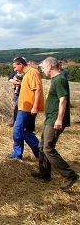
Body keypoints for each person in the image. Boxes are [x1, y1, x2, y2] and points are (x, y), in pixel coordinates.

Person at [31, 57, 78, 190]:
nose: (43, 70)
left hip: (55, 120)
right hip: (50, 118)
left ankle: (70, 175)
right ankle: (44, 173)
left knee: (48, 148)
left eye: (44, 67)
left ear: (50, 66)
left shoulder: (59, 79)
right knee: (41, 146)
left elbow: (63, 100)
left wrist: (59, 119)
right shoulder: (55, 79)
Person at [7, 57, 44, 160]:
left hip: (28, 109)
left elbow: (37, 90)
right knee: (20, 132)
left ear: (21, 65)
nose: (14, 70)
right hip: (23, 107)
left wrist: (35, 106)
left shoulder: (33, 72)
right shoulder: (27, 74)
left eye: (15, 67)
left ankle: (41, 155)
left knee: (24, 132)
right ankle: (17, 154)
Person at [7, 57, 26, 127]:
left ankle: (18, 123)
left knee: (19, 107)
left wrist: (20, 83)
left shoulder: (27, 72)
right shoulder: (15, 70)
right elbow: (9, 79)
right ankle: (14, 122)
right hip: (16, 91)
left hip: (24, 92)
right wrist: (15, 82)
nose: (14, 69)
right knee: (15, 106)